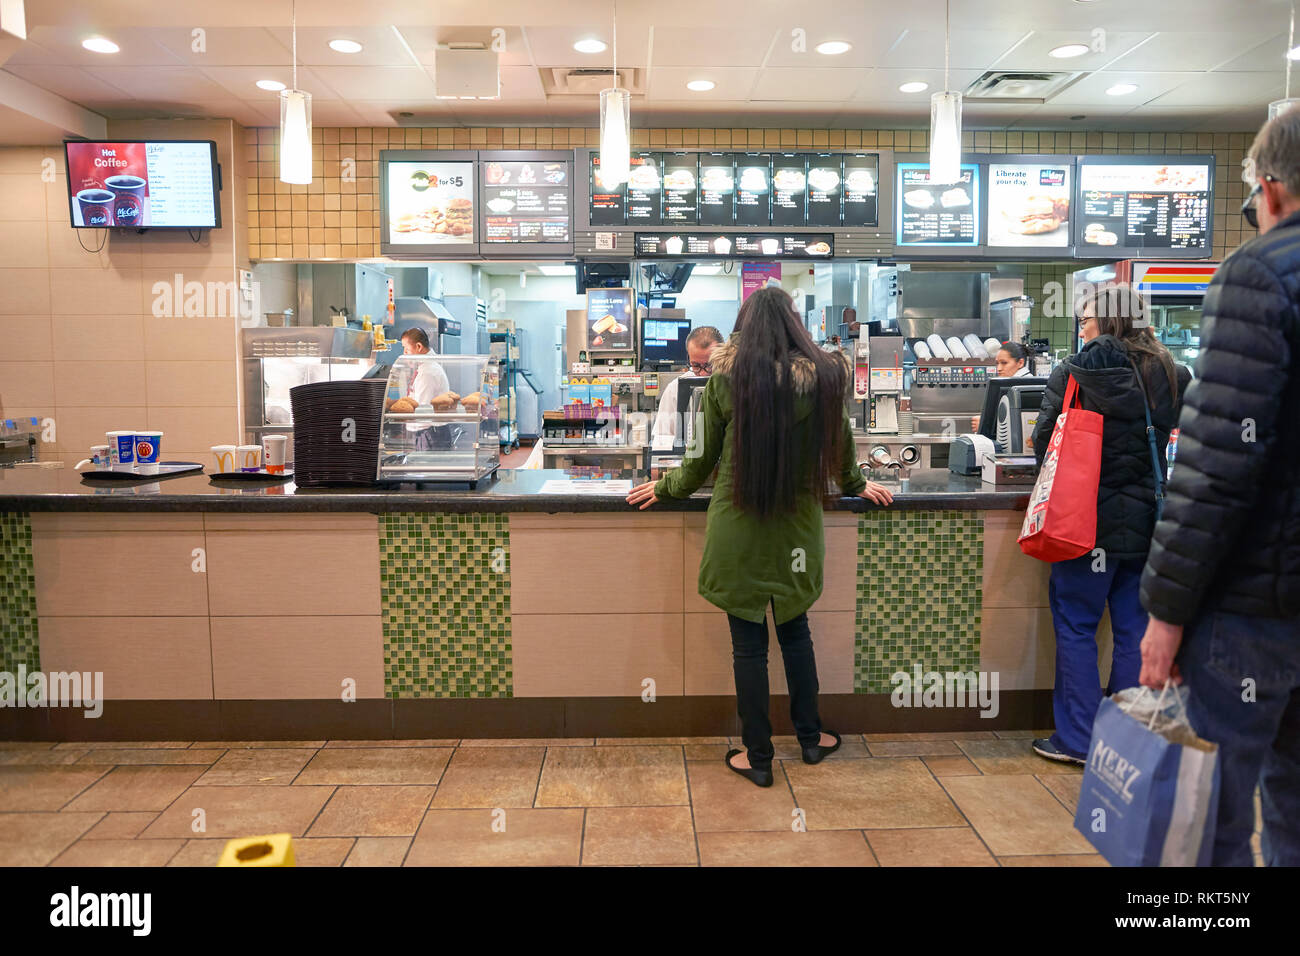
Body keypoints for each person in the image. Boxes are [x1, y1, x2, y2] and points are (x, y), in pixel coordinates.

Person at [626, 287, 894, 787]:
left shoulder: (724, 382)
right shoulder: (825, 380)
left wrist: (663, 488)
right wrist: (860, 485)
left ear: (742, 326)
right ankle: (811, 741)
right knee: (796, 633)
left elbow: (700, 461)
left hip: (739, 527)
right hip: (797, 529)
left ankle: (759, 757)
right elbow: (841, 454)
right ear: (795, 324)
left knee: (747, 646)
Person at [1138, 108, 1300, 866]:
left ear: (1268, 191)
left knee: (1209, 821)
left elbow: (1214, 470)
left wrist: (1166, 611)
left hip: (1256, 613)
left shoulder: (1259, 273)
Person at [1028, 283, 1190, 765]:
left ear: (1106, 322)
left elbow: (1044, 444)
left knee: (1076, 627)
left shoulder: (1073, 373)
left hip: (1081, 522)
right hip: (1147, 523)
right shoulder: (1171, 373)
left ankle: (1076, 740)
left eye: (1085, 319)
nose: (1081, 327)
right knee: (1133, 631)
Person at [651, 326, 723, 442]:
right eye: (696, 366)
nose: (703, 373)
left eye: (709, 365)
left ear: (722, 357)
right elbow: (662, 438)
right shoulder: (675, 389)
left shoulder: (732, 386)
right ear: (688, 358)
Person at [396, 327, 457, 450]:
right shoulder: (425, 367)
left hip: (431, 436)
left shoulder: (428, 372)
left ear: (419, 347)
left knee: (427, 469)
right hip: (430, 433)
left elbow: (422, 411)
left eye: (406, 349)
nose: (404, 353)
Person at [969, 342, 1034, 430]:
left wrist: (985, 424)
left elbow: (1023, 425)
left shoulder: (1024, 388)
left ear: (1020, 363)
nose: (999, 368)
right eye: (997, 363)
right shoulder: (1015, 383)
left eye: (1004, 363)